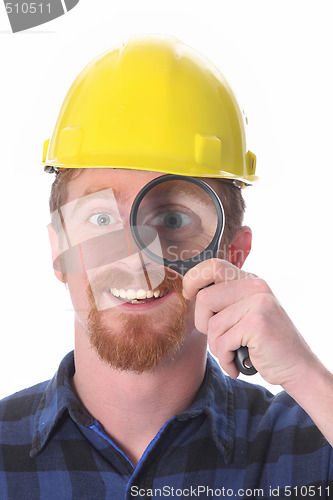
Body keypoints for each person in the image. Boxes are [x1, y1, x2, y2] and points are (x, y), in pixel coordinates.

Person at [0, 35, 332, 499]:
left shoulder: (312, 440)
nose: (136, 258)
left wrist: (308, 377)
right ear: (59, 248)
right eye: (100, 219)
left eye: (173, 218)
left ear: (232, 254)